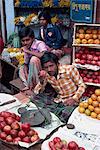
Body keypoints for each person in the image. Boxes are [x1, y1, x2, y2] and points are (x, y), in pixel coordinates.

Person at [33, 52, 86, 122]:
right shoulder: (46, 75)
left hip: (72, 101)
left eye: (51, 66)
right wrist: (41, 81)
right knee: (35, 98)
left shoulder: (70, 69)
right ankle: (56, 111)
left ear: (57, 64)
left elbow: (82, 85)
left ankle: (56, 113)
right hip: (59, 101)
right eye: (46, 67)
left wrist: (74, 99)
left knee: (66, 113)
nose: (49, 69)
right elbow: (37, 91)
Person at [18, 26, 47, 93]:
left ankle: (38, 87)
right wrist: (28, 78)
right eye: (23, 41)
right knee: (21, 68)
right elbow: (25, 64)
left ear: (33, 38)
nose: (25, 43)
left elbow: (44, 55)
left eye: (27, 40)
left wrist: (28, 51)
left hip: (43, 70)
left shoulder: (39, 44)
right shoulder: (26, 47)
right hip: (33, 71)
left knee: (34, 59)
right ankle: (28, 86)